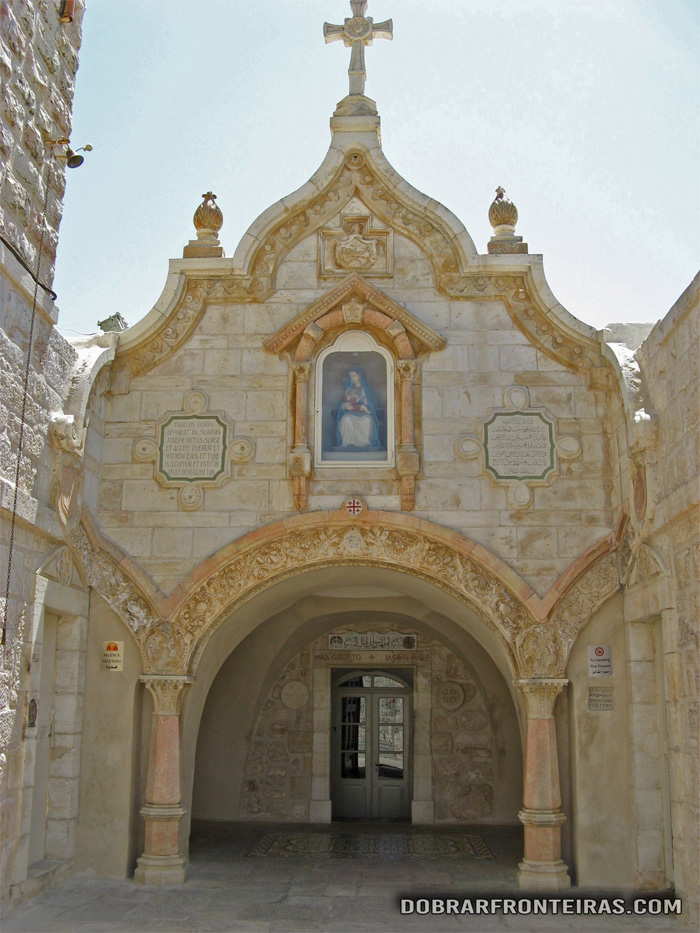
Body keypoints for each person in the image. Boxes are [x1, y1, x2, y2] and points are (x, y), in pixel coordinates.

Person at [336, 369, 380, 449]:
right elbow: (342, 402)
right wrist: (344, 406)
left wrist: (363, 402)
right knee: (346, 419)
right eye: (351, 376)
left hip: (364, 414)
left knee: (368, 420)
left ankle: (365, 443)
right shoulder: (348, 390)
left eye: (354, 376)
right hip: (350, 413)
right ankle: (349, 443)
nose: (353, 378)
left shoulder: (366, 390)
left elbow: (372, 404)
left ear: (360, 376)